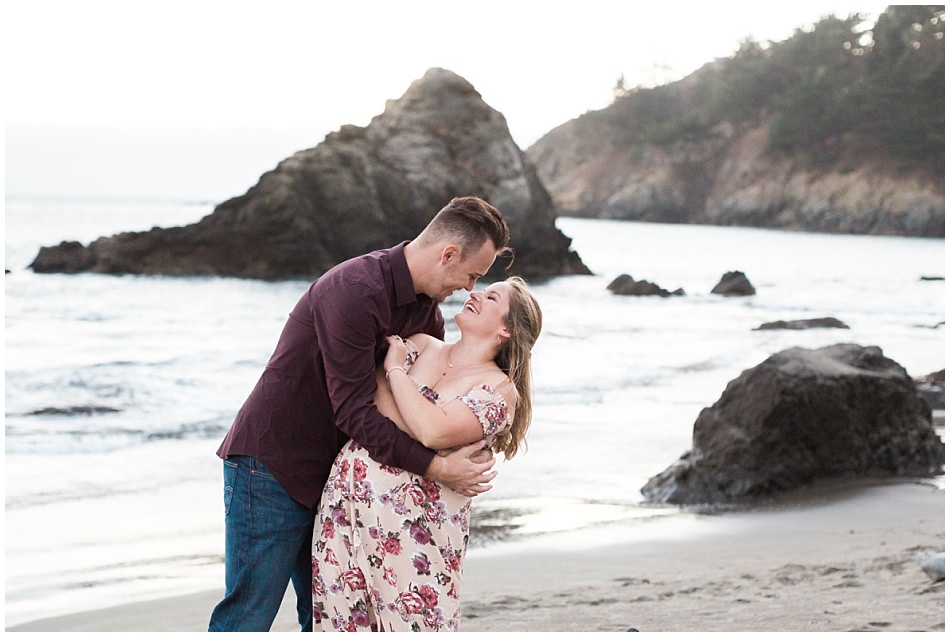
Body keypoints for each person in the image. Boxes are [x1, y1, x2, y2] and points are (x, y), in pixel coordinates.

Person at [209, 196, 511, 632]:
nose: (469, 289)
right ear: (448, 254)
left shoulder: (426, 314)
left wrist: (475, 437)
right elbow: (355, 411)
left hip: (335, 484)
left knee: (325, 616)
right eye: (472, 274)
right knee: (250, 613)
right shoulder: (354, 289)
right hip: (271, 467)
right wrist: (437, 467)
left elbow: (418, 410)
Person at [312, 276, 542, 631]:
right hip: (347, 508)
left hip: (414, 530)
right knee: (341, 622)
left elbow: (435, 430)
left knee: (413, 623)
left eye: (491, 296)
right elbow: (371, 399)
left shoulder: (498, 390)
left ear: (507, 330)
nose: (475, 294)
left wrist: (395, 373)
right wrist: (419, 419)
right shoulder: (421, 345)